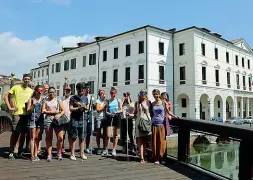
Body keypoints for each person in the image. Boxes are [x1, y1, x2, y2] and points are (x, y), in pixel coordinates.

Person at [4, 74, 33, 160]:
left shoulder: (31, 91)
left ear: (30, 80)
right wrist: (9, 107)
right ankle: (11, 152)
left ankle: (20, 151)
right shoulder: (16, 88)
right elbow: (6, 96)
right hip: (17, 113)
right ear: (22, 79)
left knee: (23, 133)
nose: (27, 80)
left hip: (26, 114)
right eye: (25, 79)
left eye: (28, 79)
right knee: (15, 133)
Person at [151, 89, 179, 164]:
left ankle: (162, 157)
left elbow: (168, 111)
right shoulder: (152, 104)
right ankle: (156, 158)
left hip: (161, 125)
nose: (155, 96)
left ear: (159, 94)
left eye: (157, 94)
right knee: (154, 142)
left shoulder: (163, 103)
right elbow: (150, 114)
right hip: (154, 124)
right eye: (154, 94)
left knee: (161, 142)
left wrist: (175, 116)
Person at [42, 87, 65, 162]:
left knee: (60, 138)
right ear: (48, 92)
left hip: (57, 119)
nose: (51, 93)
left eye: (53, 92)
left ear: (55, 92)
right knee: (49, 138)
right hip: (48, 120)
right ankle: (49, 154)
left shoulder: (58, 100)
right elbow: (43, 111)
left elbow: (63, 110)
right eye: (50, 92)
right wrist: (54, 111)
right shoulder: (45, 100)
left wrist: (58, 114)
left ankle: (59, 153)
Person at [129, 89, 152, 164]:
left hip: (146, 123)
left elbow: (151, 113)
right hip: (139, 123)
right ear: (140, 94)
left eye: (144, 93)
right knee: (140, 141)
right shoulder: (137, 103)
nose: (143, 94)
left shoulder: (149, 102)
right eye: (142, 93)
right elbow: (135, 113)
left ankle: (144, 156)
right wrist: (130, 115)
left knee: (145, 142)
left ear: (146, 94)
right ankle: (141, 158)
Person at [68, 83, 89, 160]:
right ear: (77, 90)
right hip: (75, 119)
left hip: (83, 119)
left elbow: (87, 107)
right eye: (80, 90)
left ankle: (82, 153)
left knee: (82, 137)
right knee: (74, 137)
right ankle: (72, 154)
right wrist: (78, 108)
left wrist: (85, 107)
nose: (81, 91)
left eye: (83, 90)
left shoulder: (85, 98)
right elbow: (70, 108)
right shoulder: (73, 98)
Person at [103, 87, 122, 156]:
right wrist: (110, 114)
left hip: (117, 117)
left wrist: (116, 112)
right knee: (108, 135)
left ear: (116, 93)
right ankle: (106, 149)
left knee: (115, 134)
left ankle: (114, 149)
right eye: (111, 93)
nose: (113, 95)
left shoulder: (118, 100)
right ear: (110, 93)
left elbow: (121, 109)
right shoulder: (108, 101)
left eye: (114, 93)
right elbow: (106, 111)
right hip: (110, 118)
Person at [27, 85, 44, 161]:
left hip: (40, 120)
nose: (40, 92)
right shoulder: (31, 99)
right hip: (32, 119)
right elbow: (28, 110)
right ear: (36, 91)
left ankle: (36, 154)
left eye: (41, 91)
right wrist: (33, 105)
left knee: (37, 137)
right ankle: (32, 155)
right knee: (32, 137)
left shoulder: (43, 99)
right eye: (39, 91)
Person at [83, 84, 94, 154]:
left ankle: (87, 147)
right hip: (83, 114)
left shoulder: (91, 97)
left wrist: (93, 105)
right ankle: (82, 147)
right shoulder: (82, 97)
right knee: (83, 132)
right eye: (86, 88)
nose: (88, 90)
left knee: (89, 132)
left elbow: (93, 107)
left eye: (88, 88)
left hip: (89, 114)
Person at [60, 86, 72, 154]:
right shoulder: (61, 98)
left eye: (69, 90)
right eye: (66, 90)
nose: (68, 91)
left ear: (70, 91)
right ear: (64, 90)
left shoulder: (72, 98)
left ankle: (71, 147)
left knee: (70, 134)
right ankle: (62, 147)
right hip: (63, 119)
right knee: (63, 135)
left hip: (70, 119)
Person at [95, 90, 107, 155]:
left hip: (105, 119)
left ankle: (104, 148)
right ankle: (98, 148)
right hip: (99, 118)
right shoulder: (98, 101)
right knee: (98, 133)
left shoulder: (106, 101)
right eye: (102, 93)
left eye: (104, 93)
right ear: (100, 95)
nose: (103, 94)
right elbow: (98, 109)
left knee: (105, 134)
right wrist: (103, 106)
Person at [38, 83, 49, 155]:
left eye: (47, 88)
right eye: (45, 88)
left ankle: (47, 149)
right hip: (40, 117)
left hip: (48, 117)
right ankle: (38, 149)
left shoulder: (50, 96)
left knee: (48, 134)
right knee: (39, 134)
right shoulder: (40, 96)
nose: (46, 89)